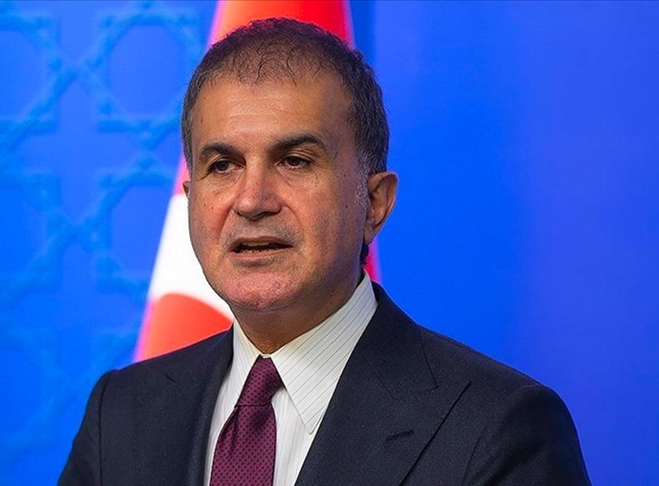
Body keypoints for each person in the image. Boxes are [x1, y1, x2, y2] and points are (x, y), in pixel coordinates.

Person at [60, 18, 590, 486]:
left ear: (374, 203)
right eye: (222, 166)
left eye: (295, 161)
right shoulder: (120, 414)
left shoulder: (498, 429)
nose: (252, 200)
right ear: (191, 199)